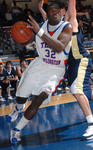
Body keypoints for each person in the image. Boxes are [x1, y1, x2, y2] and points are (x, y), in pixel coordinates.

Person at [7, 3, 72, 144]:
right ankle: (18, 108)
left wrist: (39, 32)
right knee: (21, 96)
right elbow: (28, 40)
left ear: (61, 13)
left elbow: (59, 47)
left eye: (57, 10)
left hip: (55, 71)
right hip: (39, 65)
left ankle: (16, 130)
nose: (55, 12)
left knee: (38, 100)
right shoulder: (41, 26)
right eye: (51, 10)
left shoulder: (67, 27)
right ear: (47, 14)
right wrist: (20, 39)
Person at [65, 0, 93, 140]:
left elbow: (72, 10)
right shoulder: (62, 29)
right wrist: (40, 8)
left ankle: (91, 125)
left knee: (77, 90)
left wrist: (71, 2)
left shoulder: (73, 25)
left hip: (81, 60)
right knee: (85, 93)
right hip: (74, 64)